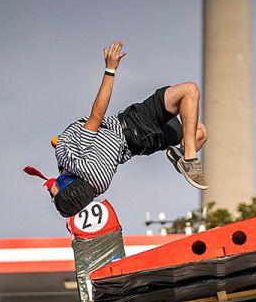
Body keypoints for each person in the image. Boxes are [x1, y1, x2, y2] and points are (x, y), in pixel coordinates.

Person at [40, 40, 209, 221]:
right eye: (53, 196)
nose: (50, 196)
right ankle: (189, 159)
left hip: (142, 143)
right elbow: (97, 115)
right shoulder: (76, 159)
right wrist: (110, 69)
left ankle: (181, 156)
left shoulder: (96, 186)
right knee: (190, 91)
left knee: (200, 133)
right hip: (136, 125)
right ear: (67, 185)